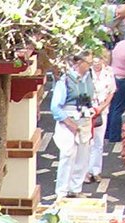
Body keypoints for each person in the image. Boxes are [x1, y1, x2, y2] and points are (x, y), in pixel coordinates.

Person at [50, 53, 96, 200]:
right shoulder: (64, 81)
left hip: (85, 119)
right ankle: (62, 192)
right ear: (79, 62)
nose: (89, 66)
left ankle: (75, 189)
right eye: (87, 63)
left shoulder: (89, 78)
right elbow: (55, 107)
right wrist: (70, 124)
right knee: (67, 155)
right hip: (68, 120)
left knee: (83, 156)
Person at [87, 53, 119, 182]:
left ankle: (95, 171)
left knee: (98, 142)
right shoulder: (87, 72)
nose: (96, 63)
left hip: (102, 110)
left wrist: (102, 107)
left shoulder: (109, 72)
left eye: (98, 60)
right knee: (87, 142)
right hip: (88, 110)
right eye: (94, 61)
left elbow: (111, 91)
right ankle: (85, 172)